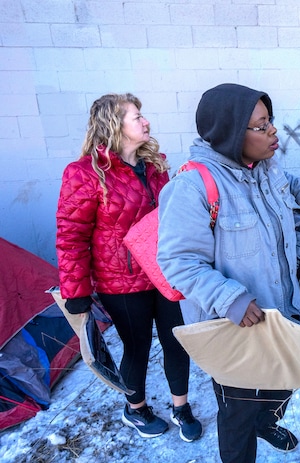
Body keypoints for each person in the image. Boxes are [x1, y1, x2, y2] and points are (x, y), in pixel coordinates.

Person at [156, 83, 300, 462]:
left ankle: (266, 421)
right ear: (232, 133)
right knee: (238, 412)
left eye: (270, 121)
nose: (273, 131)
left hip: (281, 313)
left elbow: (291, 182)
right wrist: (229, 298)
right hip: (236, 328)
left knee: (283, 382)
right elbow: (178, 261)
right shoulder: (193, 187)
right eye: (261, 126)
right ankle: (247, 434)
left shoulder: (265, 168)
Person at [55, 93, 203, 443]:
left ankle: (181, 407)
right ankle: (135, 409)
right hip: (121, 281)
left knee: (177, 341)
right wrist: (75, 292)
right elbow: (71, 236)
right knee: (136, 348)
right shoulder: (84, 174)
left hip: (164, 273)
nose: (146, 121)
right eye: (137, 117)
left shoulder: (155, 166)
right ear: (114, 125)